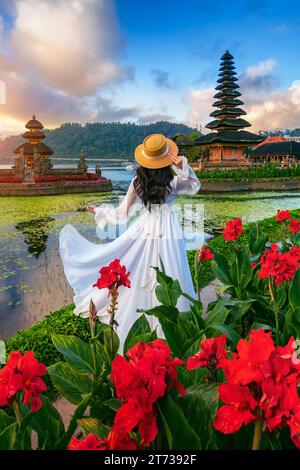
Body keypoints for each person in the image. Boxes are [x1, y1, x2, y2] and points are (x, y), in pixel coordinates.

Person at [59, 134, 201, 348]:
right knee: (172, 268)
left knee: (143, 269)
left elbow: (120, 214)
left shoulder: (137, 182)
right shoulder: (173, 181)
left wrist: (99, 210)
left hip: (146, 227)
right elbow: (195, 185)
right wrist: (183, 166)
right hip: (168, 229)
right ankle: (173, 326)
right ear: (165, 159)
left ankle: (147, 322)